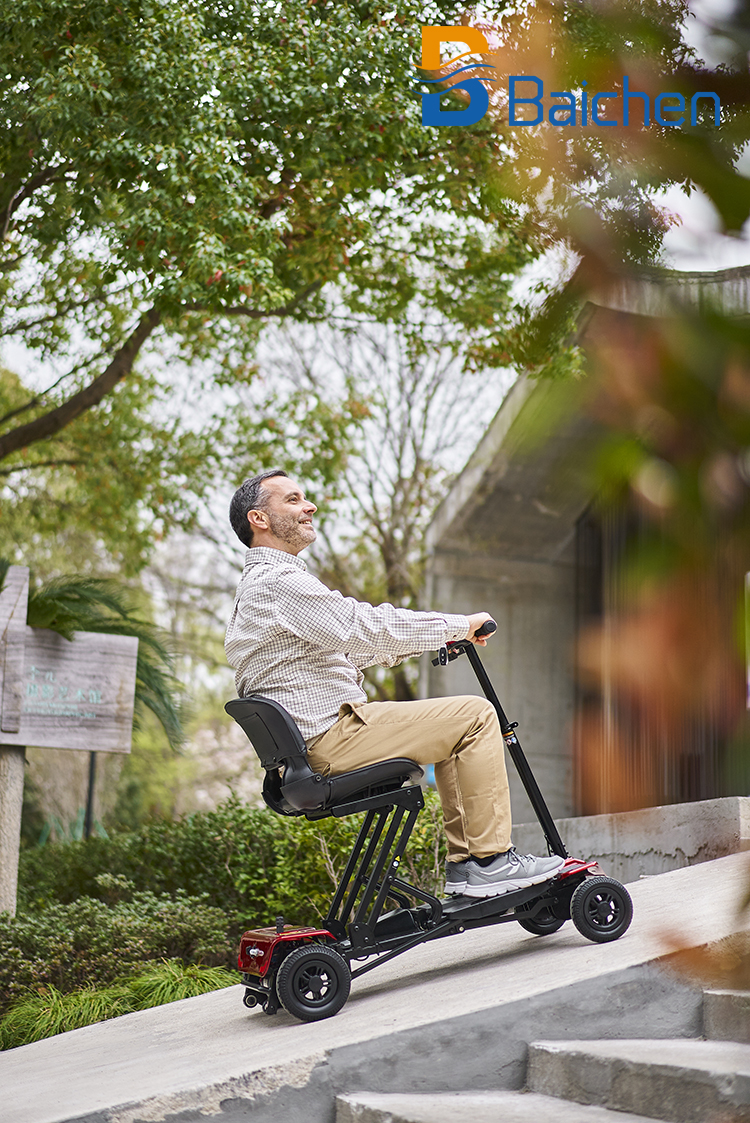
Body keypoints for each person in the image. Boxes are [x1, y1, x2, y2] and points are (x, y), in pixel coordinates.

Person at [225, 468, 564, 898]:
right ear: (260, 519)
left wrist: (436, 640)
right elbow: (361, 626)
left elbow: (346, 650)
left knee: (457, 724)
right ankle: (487, 862)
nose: (309, 506)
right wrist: (458, 624)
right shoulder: (278, 582)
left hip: (313, 746)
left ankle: (472, 866)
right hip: (334, 737)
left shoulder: (258, 588)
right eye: (292, 500)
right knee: (476, 716)